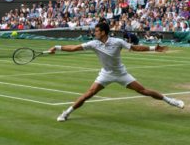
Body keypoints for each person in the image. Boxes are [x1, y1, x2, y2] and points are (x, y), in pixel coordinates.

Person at [49, 22, 185, 122]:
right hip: (105, 74)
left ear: (103, 32)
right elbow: (73, 48)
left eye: (96, 31)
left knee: (143, 90)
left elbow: (135, 48)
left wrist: (153, 48)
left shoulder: (118, 42)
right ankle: (66, 113)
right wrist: (57, 46)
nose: (94, 33)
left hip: (121, 74)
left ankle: (171, 101)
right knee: (88, 94)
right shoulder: (93, 44)